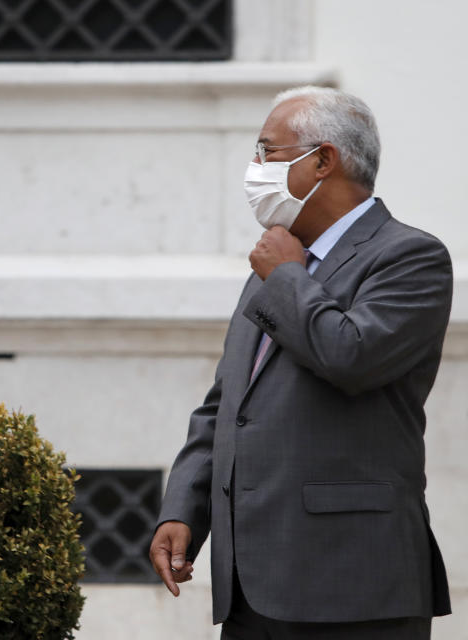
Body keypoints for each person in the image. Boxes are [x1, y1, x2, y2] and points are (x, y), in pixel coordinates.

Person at [148, 86, 452, 638]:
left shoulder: (409, 257)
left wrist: (287, 276)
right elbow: (226, 406)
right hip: (252, 590)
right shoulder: (274, 267)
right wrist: (184, 507)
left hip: (353, 587)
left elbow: (351, 355)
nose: (254, 169)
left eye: (267, 152)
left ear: (323, 160)